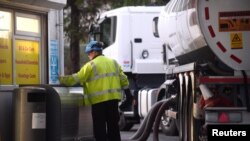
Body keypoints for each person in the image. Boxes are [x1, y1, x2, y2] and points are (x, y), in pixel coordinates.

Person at [59, 40, 131, 141]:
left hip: (98, 103)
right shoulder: (113, 63)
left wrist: (62, 79)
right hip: (113, 101)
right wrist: (128, 94)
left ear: (94, 52)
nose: (88, 55)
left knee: (99, 129)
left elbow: (77, 78)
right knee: (114, 128)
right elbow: (123, 79)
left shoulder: (91, 65)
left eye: (89, 53)